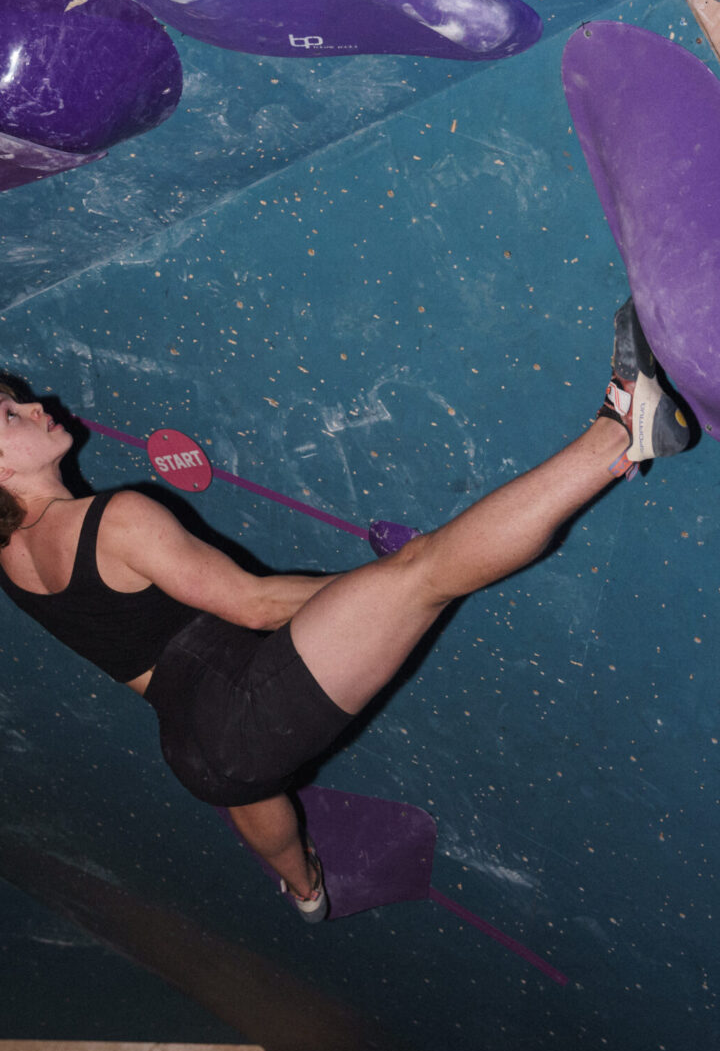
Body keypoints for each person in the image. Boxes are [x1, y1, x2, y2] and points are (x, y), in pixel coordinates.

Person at [0, 299, 689, 921]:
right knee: (427, 573)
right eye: (8, 415)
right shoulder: (116, 521)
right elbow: (257, 605)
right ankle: (624, 431)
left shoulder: (11, 558)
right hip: (239, 707)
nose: (36, 406)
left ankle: (306, 893)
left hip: (191, 745)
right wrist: (384, 580)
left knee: (247, 781)